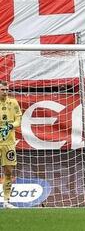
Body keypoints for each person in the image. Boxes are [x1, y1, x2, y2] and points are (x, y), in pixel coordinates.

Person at [0, 81, 21, 209]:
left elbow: (19, 119)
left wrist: (11, 125)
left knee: (8, 171)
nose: (5, 92)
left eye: (7, 89)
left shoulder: (13, 103)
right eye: (3, 90)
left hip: (9, 143)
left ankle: (7, 201)